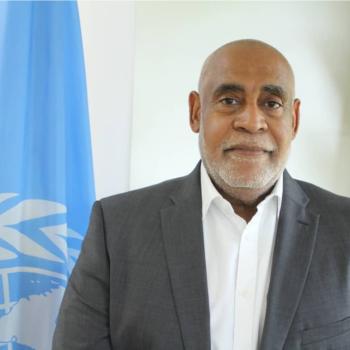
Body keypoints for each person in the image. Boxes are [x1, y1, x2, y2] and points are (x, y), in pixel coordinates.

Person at [53, 39, 350, 350]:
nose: (251, 122)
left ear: (295, 119)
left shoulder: (344, 229)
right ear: (196, 112)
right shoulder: (116, 229)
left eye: (272, 103)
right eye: (230, 100)